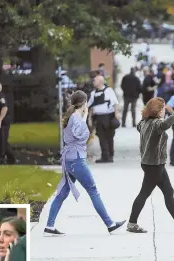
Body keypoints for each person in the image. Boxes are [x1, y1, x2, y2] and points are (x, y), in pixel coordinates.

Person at [45, 91, 125, 236]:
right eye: (86, 102)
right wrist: (85, 118)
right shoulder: (76, 118)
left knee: (62, 193)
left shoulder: (72, 117)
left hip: (69, 159)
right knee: (93, 191)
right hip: (76, 160)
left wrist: (85, 117)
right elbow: (80, 136)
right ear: (83, 103)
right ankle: (110, 224)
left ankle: (49, 226)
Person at [127, 97, 174, 233]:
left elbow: (144, 123)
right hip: (154, 165)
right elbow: (165, 125)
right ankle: (132, 223)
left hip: (152, 163)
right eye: (163, 108)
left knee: (168, 191)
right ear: (158, 111)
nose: (164, 111)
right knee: (144, 193)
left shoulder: (144, 122)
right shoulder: (156, 124)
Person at [87, 75, 120, 163]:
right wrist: (90, 118)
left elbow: (115, 103)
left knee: (109, 136)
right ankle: (105, 156)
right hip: (98, 117)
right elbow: (90, 106)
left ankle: (110, 156)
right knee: (101, 137)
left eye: (95, 81)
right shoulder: (93, 93)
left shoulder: (109, 91)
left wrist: (116, 114)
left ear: (100, 82)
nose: (93, 82)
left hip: (108, 116)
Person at [0, 82, 15, 164]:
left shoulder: (1, 97)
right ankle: (10, 158)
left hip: (3, 123)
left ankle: (1, 158)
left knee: (2, 140)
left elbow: (4, 108)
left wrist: (0, 120)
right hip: (0, 121)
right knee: (2, 140)